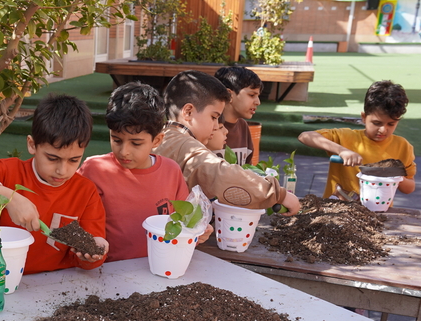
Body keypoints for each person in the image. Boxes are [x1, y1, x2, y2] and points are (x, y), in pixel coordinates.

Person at [0, 93, 108, 274]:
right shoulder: (10, 172)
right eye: (52, 158)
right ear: (32, 145)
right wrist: (6, 196)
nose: (62, 170)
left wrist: (93, 254)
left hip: (52, 284)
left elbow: (89, 259)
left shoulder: (86, 192)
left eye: (74, 160)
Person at [79, 82, 202, 262]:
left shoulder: (171, 171)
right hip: (108, 270)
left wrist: (198, 231)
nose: (124, 151)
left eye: (136, 143)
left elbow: (184, 221)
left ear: (157, 140)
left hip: (160, 266)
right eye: (116, 140)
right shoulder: (94, 169)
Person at [153, 70, 301, 214]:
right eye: (213, 117)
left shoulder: (163, 136)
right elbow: (219, 173)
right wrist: (278, 194)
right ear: (188, 112)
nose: (216, 126)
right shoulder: (184, 145)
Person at [298, 80, 416, 199]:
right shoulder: (345, 137)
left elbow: (409, 188)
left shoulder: (403, 146)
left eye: (391, 124)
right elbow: (305, 136)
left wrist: (395, 176)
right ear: (364, 117)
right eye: (376, 123)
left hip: (380, 209)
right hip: (337, 207)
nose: (383, 130)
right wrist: (341, 150)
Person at [214, 66, 262, 165]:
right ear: (229, 95)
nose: (258, 102)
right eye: (252, 95)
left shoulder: (243, 126)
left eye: (258, 96)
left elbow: (248, 168)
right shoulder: (209, 126)